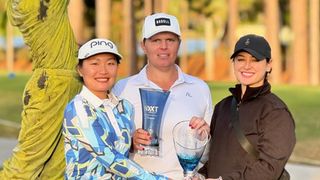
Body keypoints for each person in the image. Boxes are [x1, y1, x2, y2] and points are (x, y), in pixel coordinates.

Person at [112, 13, 213, 179]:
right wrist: (131, 143)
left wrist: (204, 138)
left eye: (170, 40)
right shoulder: (123, 89)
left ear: (179, 44)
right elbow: (108, 146)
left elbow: (208, 154)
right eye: (156, 40)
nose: (163, 46)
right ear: (143, 45)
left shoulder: (199, 88)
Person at [63, 38, 168, 179]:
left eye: (110, 63)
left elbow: (119, 149)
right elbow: (108, 157)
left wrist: (132, 142)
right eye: (95, 63)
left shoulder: (124, 107)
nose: (103, 71)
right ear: (80, 70)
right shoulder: (78, 109)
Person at [1, 0, 81, 179]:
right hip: (51, 85)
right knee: (26, 163)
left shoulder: (18, 5)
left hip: (58, 82)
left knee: (56, 168)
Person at [198, 34, 296, 180]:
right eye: (241, 59)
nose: (246, 66)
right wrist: (200, 175)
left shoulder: (275, 112)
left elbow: (269, 168)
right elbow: (216, 160)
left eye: (255, 60)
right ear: (234, 63)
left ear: (269, 65)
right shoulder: (222, 107)